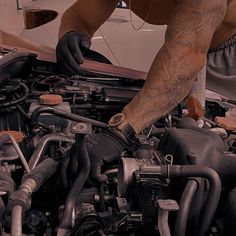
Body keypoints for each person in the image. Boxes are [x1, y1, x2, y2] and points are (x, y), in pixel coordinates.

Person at [56, 0, 235, 183]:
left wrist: (120, 131)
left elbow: (184, 58)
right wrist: (72, 33)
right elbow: (82, 16)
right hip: (193, 45)